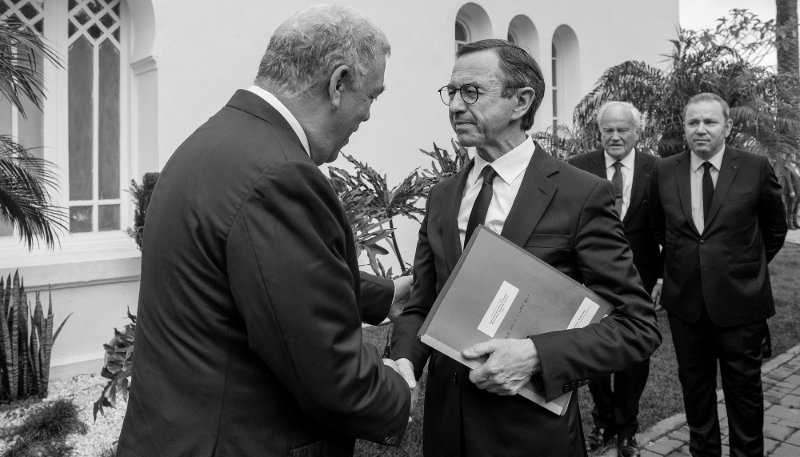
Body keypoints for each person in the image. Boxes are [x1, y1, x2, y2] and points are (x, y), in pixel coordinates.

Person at [117, 5, 414, 456]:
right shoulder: (281, 175)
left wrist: (385, 295)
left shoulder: (213, 140)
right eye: (371, 96)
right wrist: (400, 391)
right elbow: (329, 375)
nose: (368, 115)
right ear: (338, 83)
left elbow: (267, 277)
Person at [390, 39, 661, 457]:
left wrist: (536, 355)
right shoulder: (443, 196)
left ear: (521, 102)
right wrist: (405, 361)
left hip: (530, 434)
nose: (456, 106)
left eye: (472, 92)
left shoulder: (580, 194)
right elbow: (423, 303)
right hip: (446, 429)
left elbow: (636, 326)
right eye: (452, 92)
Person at [648, 93, 787, 457]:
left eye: (710, 122)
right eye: (693, 122)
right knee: (695, 388)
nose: (701, 129)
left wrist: (744, 266)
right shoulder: (664, 170)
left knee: (744, 390)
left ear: (727, 125)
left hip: (741, 302)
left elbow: (775, 229)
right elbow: (658, 229)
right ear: (684, 127)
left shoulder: (756, 167)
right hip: (686, 305)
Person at [569, 101, 663, 457]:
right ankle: (602, 421)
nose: (615, 135)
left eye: (623, 129)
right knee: (594, 353)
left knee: (635, 358)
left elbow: (671, 227)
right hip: (590, 283)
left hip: (640, 280)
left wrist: (664, 277)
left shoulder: (658, 169)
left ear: (637, 133)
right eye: (608, 129)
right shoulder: (580, 167)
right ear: (600, 132)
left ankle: (627, 429)